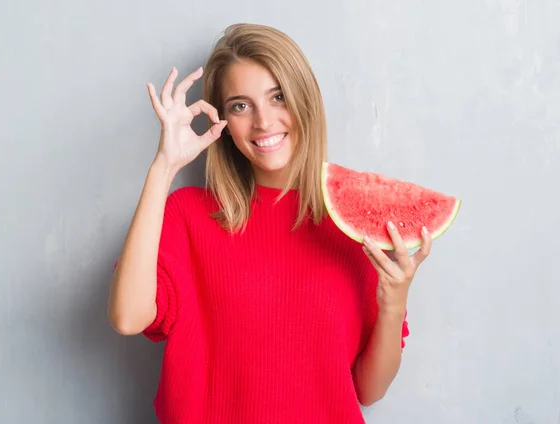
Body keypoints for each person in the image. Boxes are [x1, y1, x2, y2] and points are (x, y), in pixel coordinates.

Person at [108, 23, 432, 424]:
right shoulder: (188, 214)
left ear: (304, 99)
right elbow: (127, 317)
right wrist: (164, 167)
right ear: (223, 120)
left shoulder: (352, 226)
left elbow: (369, 390)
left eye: (277, 97)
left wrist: (394, 300)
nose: (263, 121)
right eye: (240, 106)